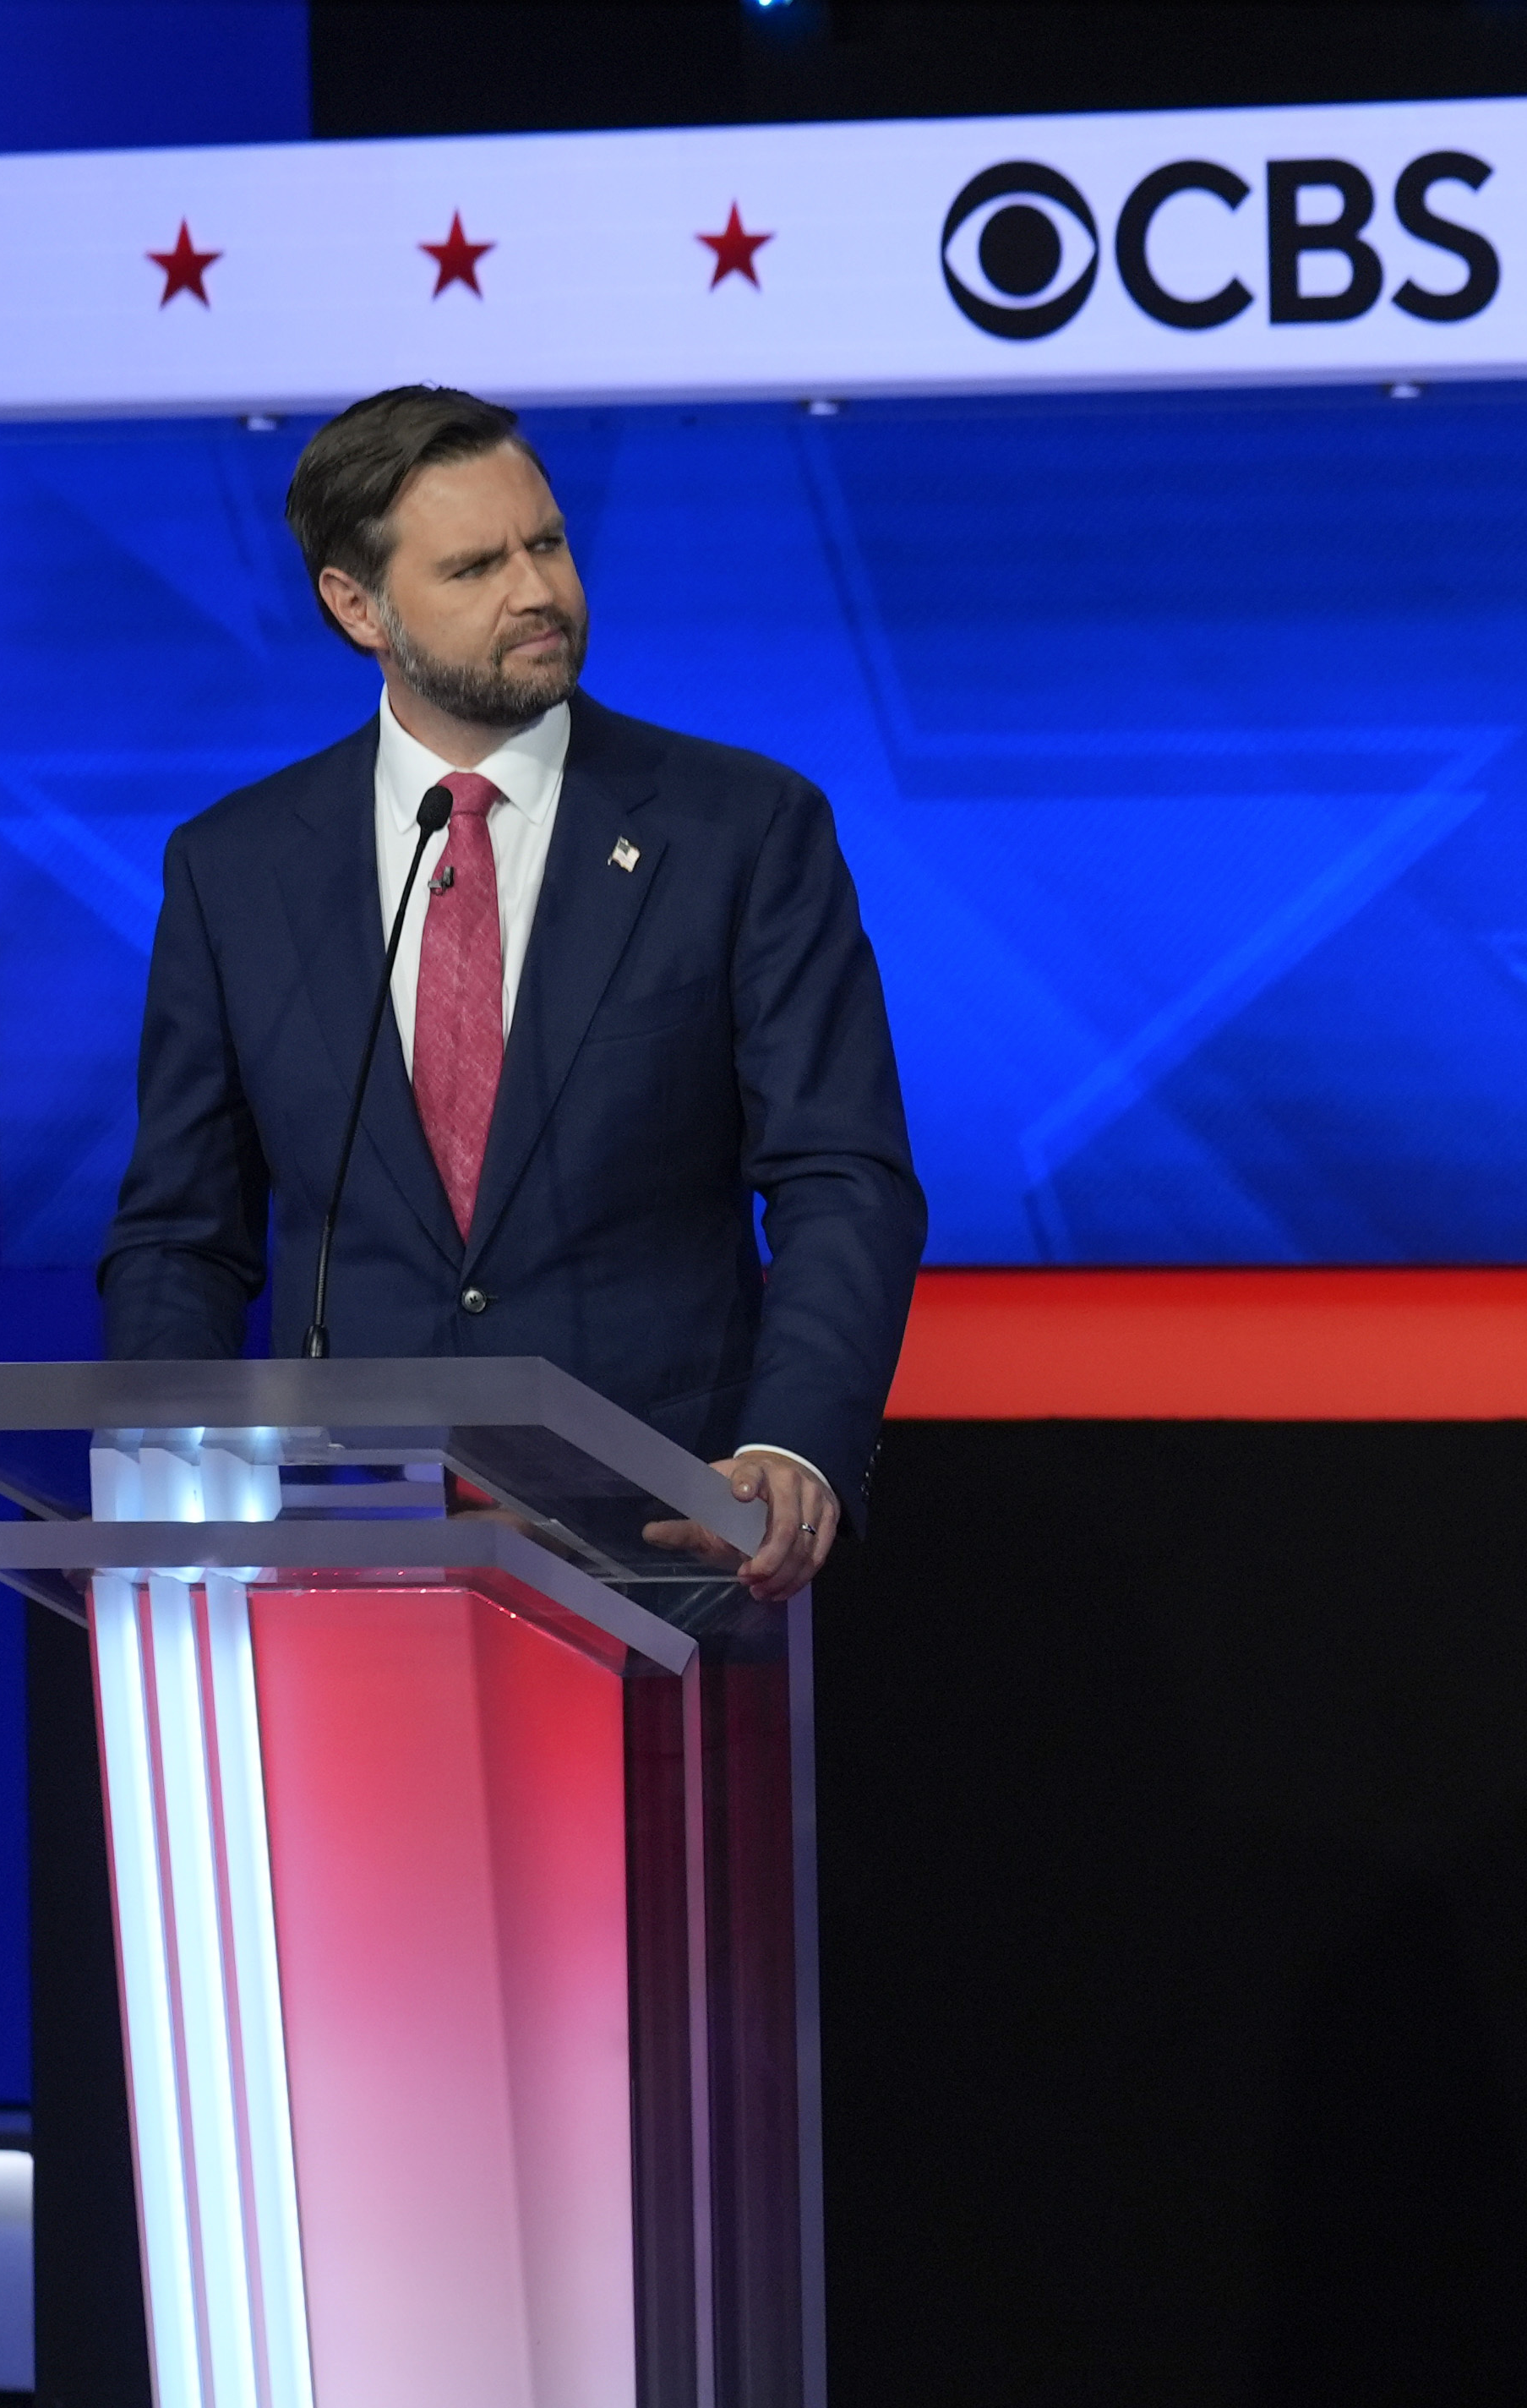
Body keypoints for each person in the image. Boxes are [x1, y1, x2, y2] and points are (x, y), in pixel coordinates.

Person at [101, 385, 922, 1599]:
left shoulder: (740, 831)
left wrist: (788, 1441)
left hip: (673, 1544)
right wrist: (172, 1461)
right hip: (349, 1562)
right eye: (477, 566)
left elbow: (840, 1172)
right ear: (356, 606)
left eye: (546, 543)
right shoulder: (234, 869)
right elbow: (182, 1232)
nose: (536, 591)